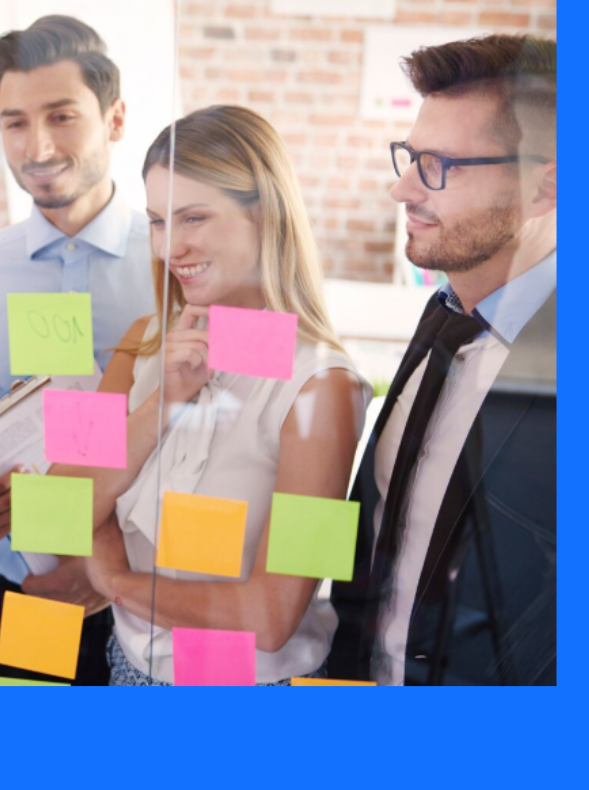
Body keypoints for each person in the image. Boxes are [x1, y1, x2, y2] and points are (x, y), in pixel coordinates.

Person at [51, 105, 370, 686]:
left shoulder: (325, 387)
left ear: (265, 216)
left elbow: (270, 619)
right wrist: (162, 407)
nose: (169, 247)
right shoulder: (140, 342)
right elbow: (54, 511)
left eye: (193, 217)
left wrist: (116, 582)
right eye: (157, 221)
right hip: (128, 669)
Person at [0, 15, 154, 686]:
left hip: (150, 603)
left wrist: (108, 570)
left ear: (114, 119)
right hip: (17, 595)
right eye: (15, 122)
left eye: (62, 116)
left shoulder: (177, 266)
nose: (37, 145)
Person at [330, 34, 557, 686]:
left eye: (439, 165)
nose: (401, 188)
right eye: (410, 157)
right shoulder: (445, 313)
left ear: (544, 187)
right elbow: (377, 534)